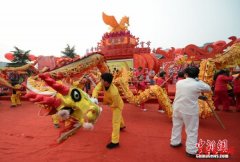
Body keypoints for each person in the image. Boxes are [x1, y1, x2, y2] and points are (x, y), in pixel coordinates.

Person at [170, 66, 211, 157]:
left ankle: (174, 142)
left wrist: (198, 95)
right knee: (191, 130)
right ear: (197, 75)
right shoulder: (198, 84)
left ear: (186, 74)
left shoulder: (179, 82)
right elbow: (208, 88)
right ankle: (191, 150)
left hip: (177, 108)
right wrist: (198, 80)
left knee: (176, 126)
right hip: (189, 110)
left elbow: (187, 92)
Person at [92, 73, 125, 149]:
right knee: (119, 116)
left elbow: (115, 104)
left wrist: (108, 105)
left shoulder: (114, 92)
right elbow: (96, 89)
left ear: (106, 82)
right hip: (111, 102)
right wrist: (94, 98)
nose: (100, 81)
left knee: (115, 122)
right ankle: (122, 125)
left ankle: (115, 141)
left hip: (117, 105)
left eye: (102, 80)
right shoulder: (102, 83)